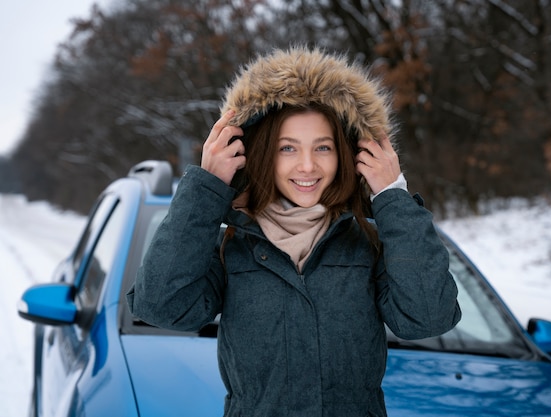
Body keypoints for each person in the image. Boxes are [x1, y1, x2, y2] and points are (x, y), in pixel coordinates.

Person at [127, 47, 461, 417]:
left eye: (323, 147)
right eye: (288, 148)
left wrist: (392, 196)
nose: (307, 166)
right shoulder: (230, 245)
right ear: (261, 153)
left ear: (350, 155)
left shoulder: (372, 243)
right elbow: (160, 307)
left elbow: (429, 318)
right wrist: (206, 188)